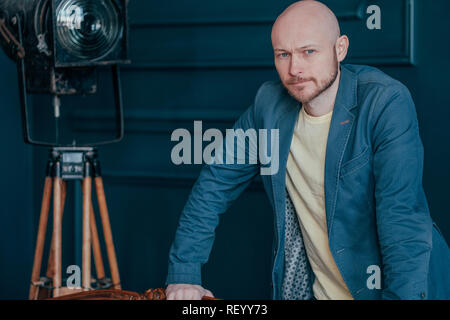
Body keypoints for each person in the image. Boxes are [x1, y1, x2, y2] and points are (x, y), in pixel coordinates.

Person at [165, 0, 450, 300]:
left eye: (308, 51)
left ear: (340, 49)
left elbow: (402, 220)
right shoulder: (268, 107)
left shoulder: (384, 103)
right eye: (283, 54)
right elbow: (215, 184)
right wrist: (184, 273)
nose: (294, 69)